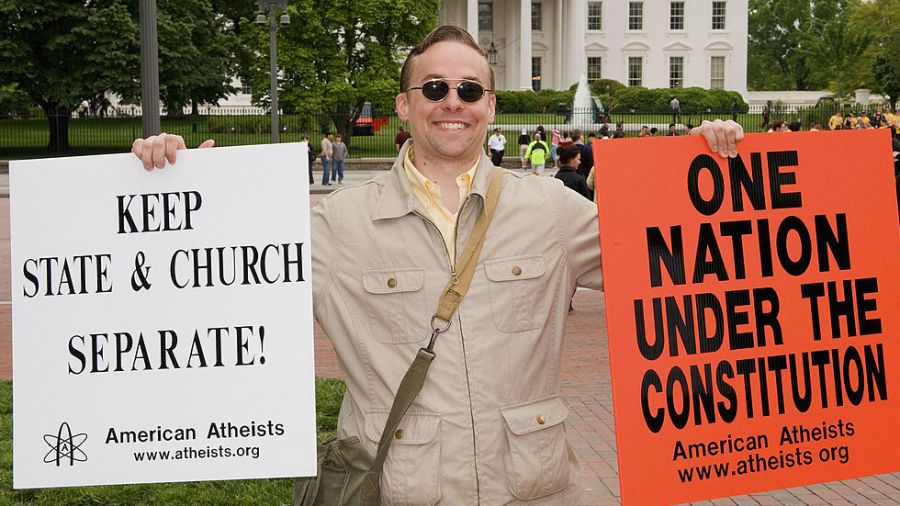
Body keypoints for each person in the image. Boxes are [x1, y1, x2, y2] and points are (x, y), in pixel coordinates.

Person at [130, 25, 743, 505]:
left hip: (531, 492)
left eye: (470, 90)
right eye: (435, 89)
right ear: (404, 104)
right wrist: (174, 183)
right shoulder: (337, 225)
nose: (454, 102)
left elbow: (689, 259)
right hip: (398, 492)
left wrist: (716, 167)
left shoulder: (553, 210)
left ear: (491, 105)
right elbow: (204, 280)